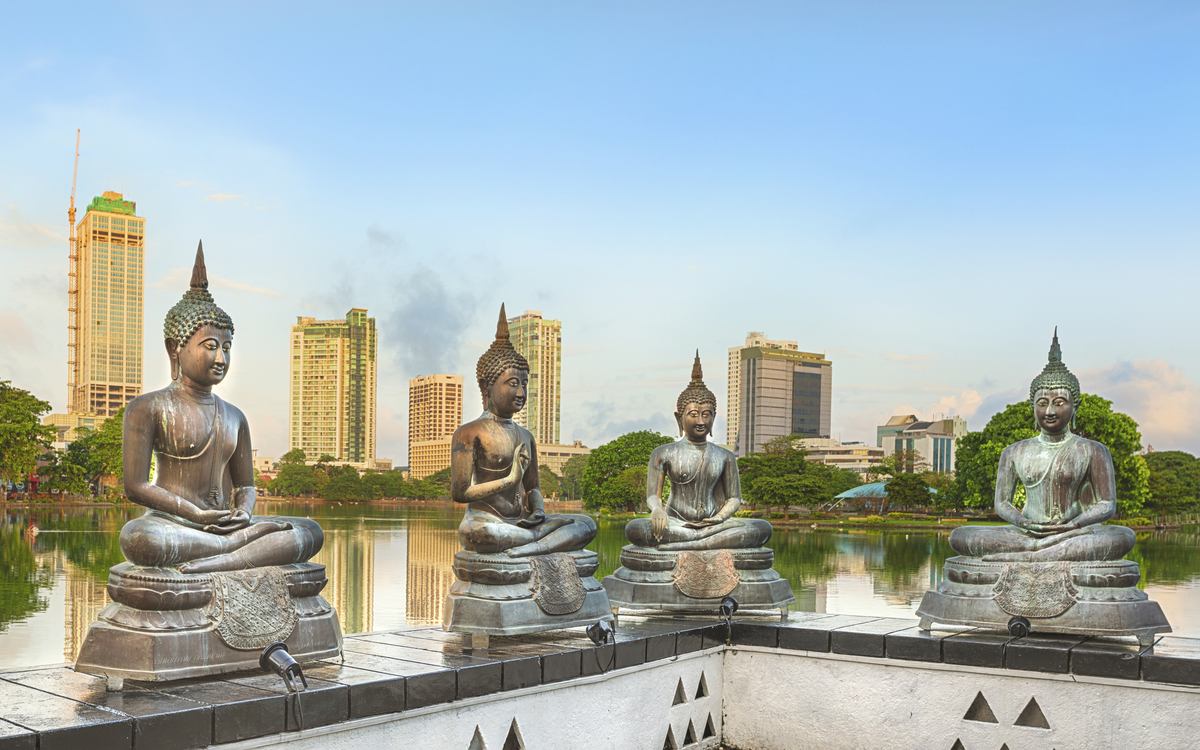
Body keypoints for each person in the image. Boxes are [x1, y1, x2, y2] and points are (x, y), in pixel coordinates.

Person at [119, 244, 322, 574]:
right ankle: (235, 553)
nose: (221, 359)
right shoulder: (149, 407)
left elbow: (246, 486)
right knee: (140, 539)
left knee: (309, 532)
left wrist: (243, 511)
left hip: (229, 526)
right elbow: (136, 487)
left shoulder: (235, 416)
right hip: (174, 526)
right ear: (175, 348)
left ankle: (224, 556)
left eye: (227, 348)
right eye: (210, 346)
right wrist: (196, 516)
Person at [948, 331, 1135, 562]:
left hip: (1073, 533)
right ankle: (1041, 551)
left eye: (1059, 403)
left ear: (1074, 407)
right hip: (1025, 532)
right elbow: (1002, 503)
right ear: (1033, 407)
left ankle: (1033, 554)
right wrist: (1022, 522)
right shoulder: (1014, 452)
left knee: (1122, 537)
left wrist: (1075, 524)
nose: (1050, 411)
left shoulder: (1092, 450)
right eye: (1042, 403)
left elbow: (1107, 504)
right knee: (960, 536)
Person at [450, 305, 597, 557]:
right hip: (486, 522)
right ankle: (538, 542)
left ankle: (531, 542)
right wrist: (509, 480)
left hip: (522, 523)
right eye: (513, 384)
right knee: (482, 536)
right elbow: (461, 493)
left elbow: (532, 488)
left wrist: (538, 510)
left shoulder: (526, 436)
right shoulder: (470, 432)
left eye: (525, 385)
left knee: (586, 524)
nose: (521, 393)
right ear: (487, 385)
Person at [624, 353, 772, 551]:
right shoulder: (663, 453)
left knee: (763, 529)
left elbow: (734, 498)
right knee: (635, 528)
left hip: (714, 524)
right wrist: (657, 510)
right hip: (675, 523)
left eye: (706, 415)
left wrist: (718, 519)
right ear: (679, 418)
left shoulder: (725, 456)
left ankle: (695, 540)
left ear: (714, 417)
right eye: (693, 415)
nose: (701, 421)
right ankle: (702, 540)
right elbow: (653, 495)